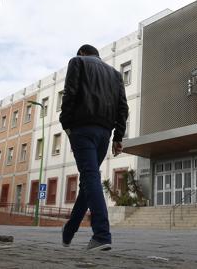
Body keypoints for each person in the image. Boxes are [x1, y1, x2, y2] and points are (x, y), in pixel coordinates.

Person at [60, 44, 128, 251]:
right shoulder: (116, 74)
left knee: (90, 178)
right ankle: (69, 231)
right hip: (104, 134)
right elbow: (122, 108)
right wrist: (118, 137)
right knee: (87, 182)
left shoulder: (77, 62)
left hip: (82, 129)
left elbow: (70, 93)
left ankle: (101, 234)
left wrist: (66, 123)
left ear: (82, 53)